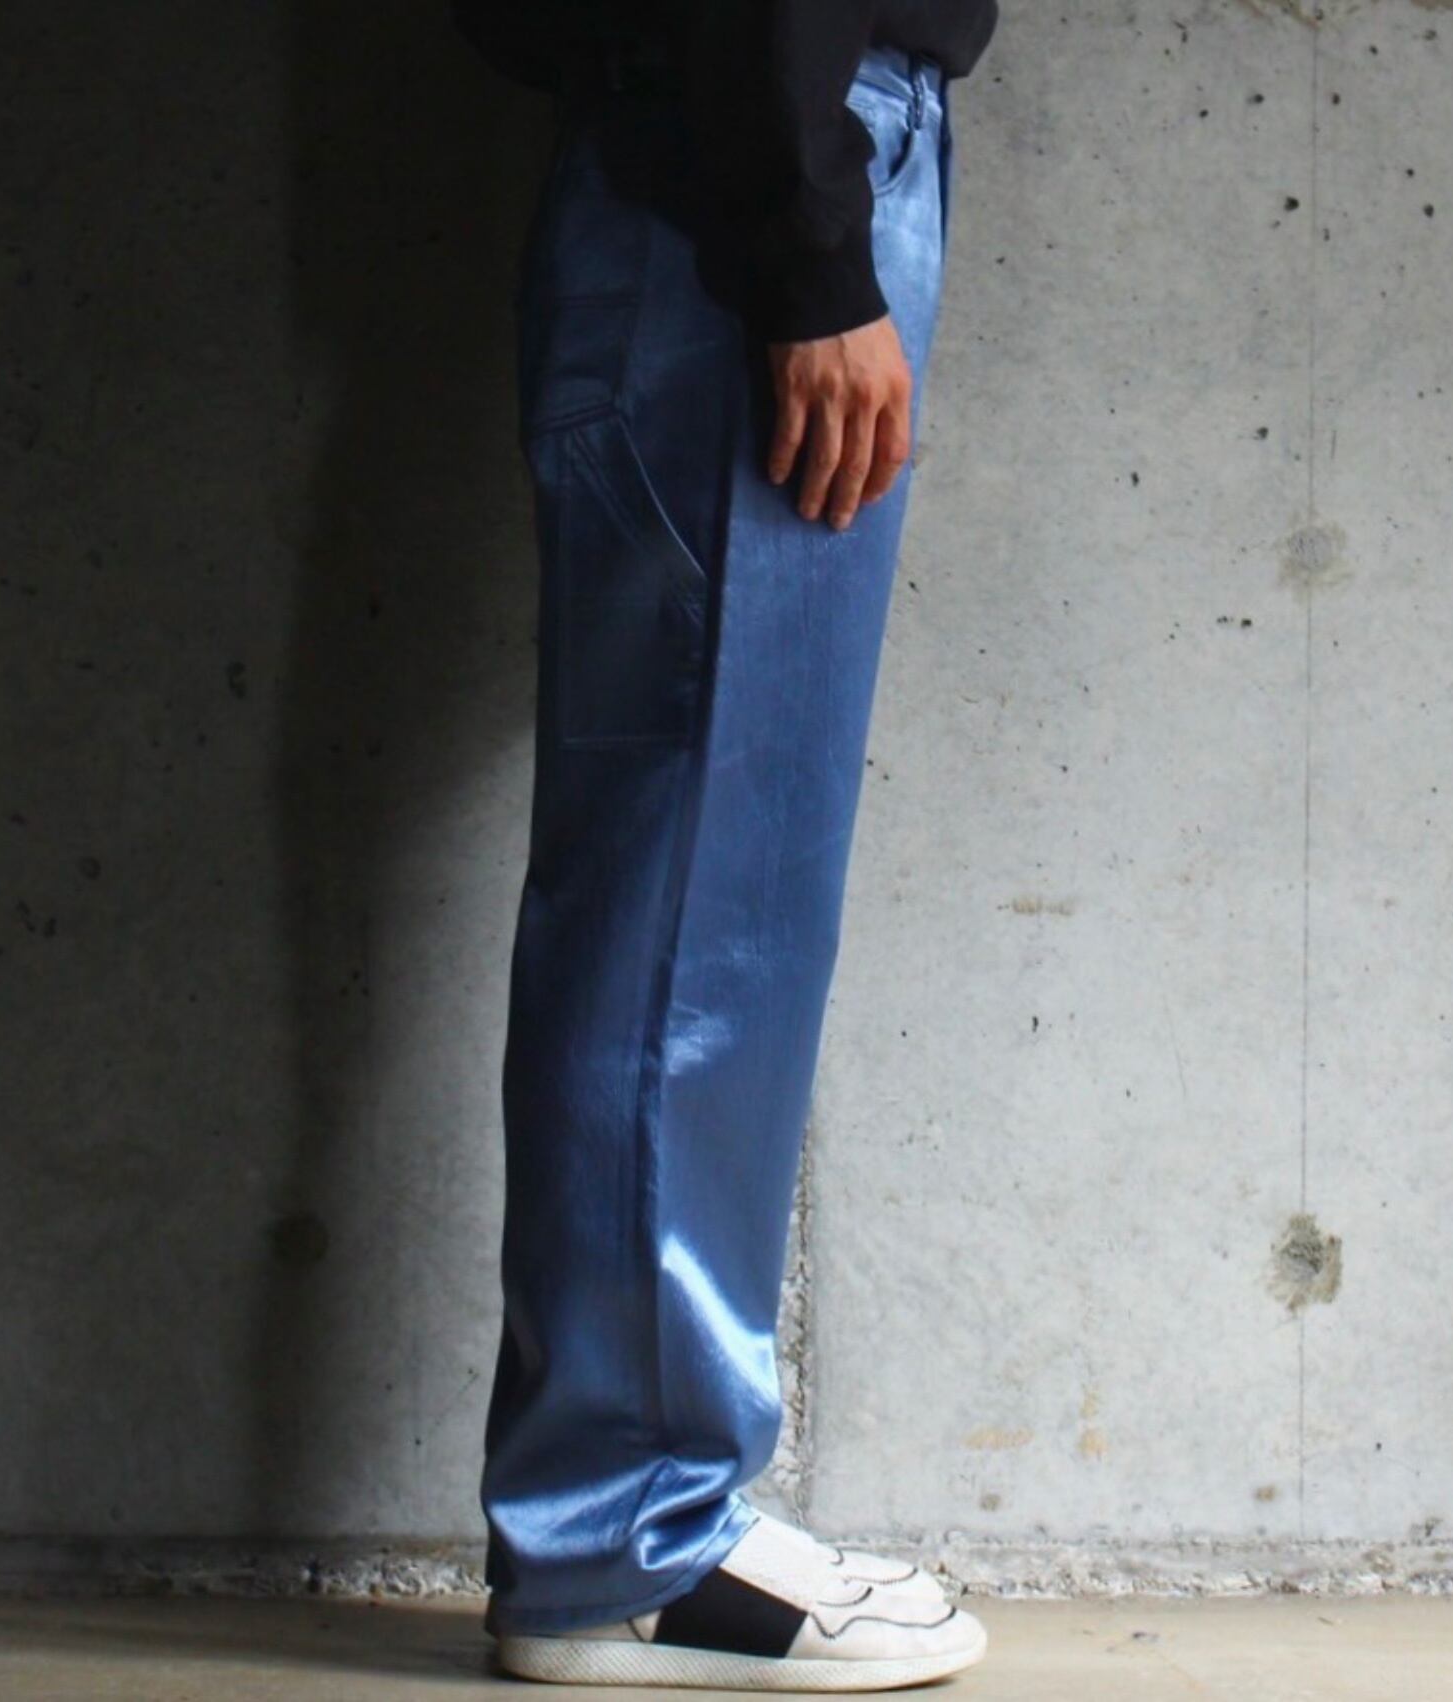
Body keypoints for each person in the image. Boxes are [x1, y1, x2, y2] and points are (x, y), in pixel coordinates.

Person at [452, 0, 998, 1688]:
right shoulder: (773, 209)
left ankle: (621, 1515)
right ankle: (629, 1535)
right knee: (698, 908)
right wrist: (810, 254)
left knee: (684, 887)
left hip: (728, 164)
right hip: (744, 183)